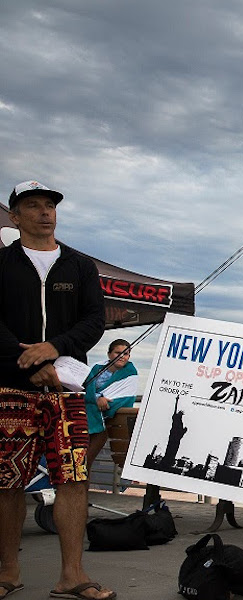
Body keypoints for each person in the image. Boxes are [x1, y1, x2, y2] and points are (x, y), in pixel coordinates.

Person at [0, 181, 113, 600]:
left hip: (67, 389)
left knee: (73, 478)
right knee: (7, 481)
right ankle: (8, 572)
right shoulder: (2, 262)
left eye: (49, 205)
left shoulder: (80, 265)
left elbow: (93, 321)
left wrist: (53, 350)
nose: (45, 212)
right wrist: (26, 361)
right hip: (12, 385)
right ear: (15, 217)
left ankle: (72, 575)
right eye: (33, 206)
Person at [83, 339, 139, 470]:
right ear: (109, 354)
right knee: (80, 462)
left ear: (129, 356)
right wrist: (97, 397)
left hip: (104, 423)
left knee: (86, 462)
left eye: (125, 354)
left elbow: (124, 398)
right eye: (117, 353)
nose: (122, 356)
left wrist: (99, 399)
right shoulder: (96, 369)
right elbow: (84, 389)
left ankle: (80, 489)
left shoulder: (131, 374)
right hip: (83, 417)